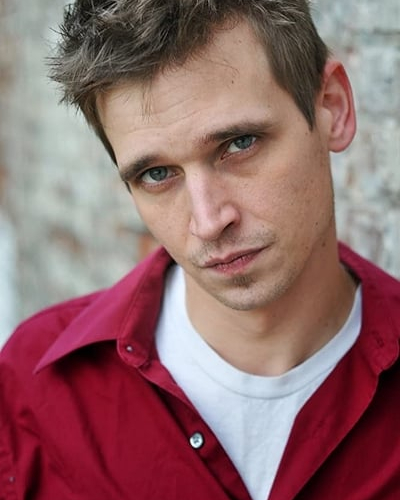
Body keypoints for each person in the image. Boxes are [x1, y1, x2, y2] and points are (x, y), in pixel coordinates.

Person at [1, 1, 399, 498]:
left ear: (332, 108)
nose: (209, 221)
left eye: (240, 143)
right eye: (157, 174)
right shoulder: (35, 393)